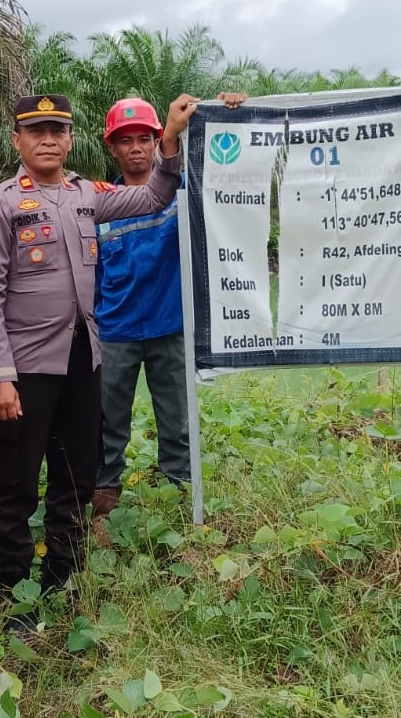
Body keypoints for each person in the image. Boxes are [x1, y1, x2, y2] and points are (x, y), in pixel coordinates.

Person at [0, 93, 195, 619]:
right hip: (25, 370)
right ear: (18, 141)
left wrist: (167, 143)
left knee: (74, 477)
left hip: (83, 362)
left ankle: (63, 581)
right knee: (17, 483)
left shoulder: (87, 196)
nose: (48, 139)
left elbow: (151, 199)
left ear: (71, 139)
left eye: (58, 130)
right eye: (37, 131)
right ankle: (15, 590)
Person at [90, 94, 246, 544]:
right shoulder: (102, 204)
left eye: (145, 138)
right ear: (112, 149)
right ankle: (104, 506)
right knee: (107, 424)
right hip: (115, 333)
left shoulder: (184, 192)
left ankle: (180, 503)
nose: (136, 148)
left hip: (171, 328)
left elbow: (231, 172)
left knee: (176, 421)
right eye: (126, 141)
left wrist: (229, 108)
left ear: (159, 141)